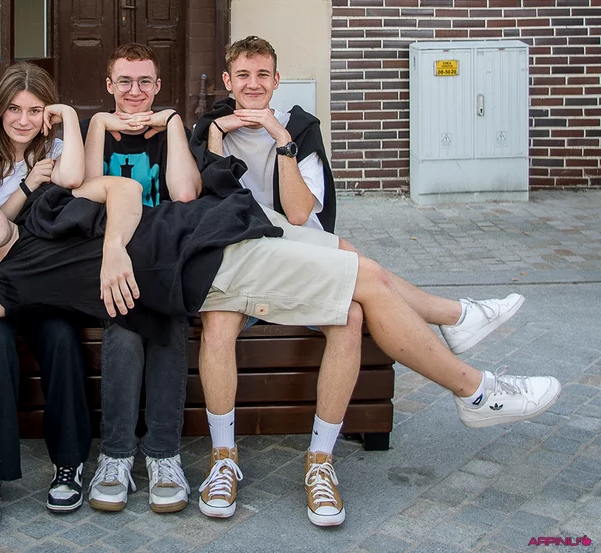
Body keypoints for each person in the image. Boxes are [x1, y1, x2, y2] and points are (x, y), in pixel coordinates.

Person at [0, 171, 561, 530]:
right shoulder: (7, 285)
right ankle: (475, 389)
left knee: (364, 272)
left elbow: (123, 191)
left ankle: (458, 319)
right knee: (364, 284)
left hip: (211, 227)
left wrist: (111, 251)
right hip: (208, 272)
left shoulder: (44, 205)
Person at [188, 36, 528, 524]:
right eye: (243, 75)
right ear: (227, 81)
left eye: (262, 74)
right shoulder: (209, 130)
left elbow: (301, 213)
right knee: (220, 321)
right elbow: (208, 205)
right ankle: (224, 459)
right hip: (238, 265)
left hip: (293, 259)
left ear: (277, 80)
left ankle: (320, 462)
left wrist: (280, 139)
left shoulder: (298, 128)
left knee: (349, 315)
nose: (253, 84)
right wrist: (217, 136)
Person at [0, 62, 91, 528]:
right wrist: (29, 185)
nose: (24, 120)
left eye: (35, 110)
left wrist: (66, 119)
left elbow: (75, 183)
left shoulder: (57, 149)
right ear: (0, 110)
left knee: (62, 338)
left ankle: (69, 463)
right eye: (14, 109)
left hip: (42, 269)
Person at [80, 43, 200, 514]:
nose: (135, 91)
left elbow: (184, 194)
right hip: (106, 254)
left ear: (158, 85)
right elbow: (84, 192)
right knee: (124, 321)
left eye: (145, 81)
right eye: (125, 81)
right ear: (109, 85)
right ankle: (116, 455)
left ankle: (164, 455)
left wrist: (173, 125)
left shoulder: (169, 132)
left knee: (168, 316)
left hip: (162, 254)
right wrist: (97, 124)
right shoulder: (96, 131)